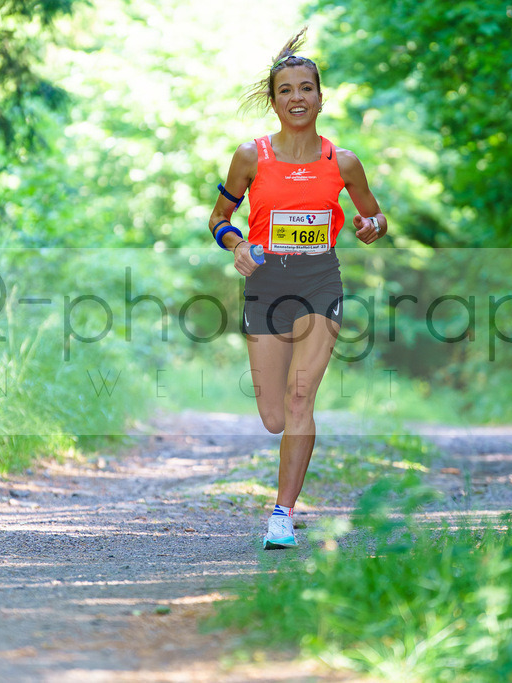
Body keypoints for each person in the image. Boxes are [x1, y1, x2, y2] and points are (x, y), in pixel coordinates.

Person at [207, 28, 387, 550]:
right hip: (266, 282)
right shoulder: (250, 156)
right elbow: (219, 217)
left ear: (320, 95)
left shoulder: (343, 162)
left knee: (301, 395)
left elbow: (374, 219)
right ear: (273, 99)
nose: (297, 98)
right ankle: (286, 476)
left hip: (319, 280)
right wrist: (237, 243)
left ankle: (281, 514)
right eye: (285, 90)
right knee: (274, 416)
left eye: (306, 88)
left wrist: (371, 227)